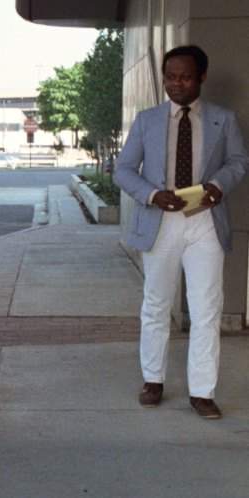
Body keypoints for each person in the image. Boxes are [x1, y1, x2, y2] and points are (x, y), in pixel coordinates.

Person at [114, 45, 248, 419]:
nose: (177, 84)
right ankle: (152, 380)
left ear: (201, 77)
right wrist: (152, 194)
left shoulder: (224, 119)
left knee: (206, 307)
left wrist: (218, 185)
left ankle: (202, 392)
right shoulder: (147, 121)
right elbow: (124, 170)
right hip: (161, 222)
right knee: (156, 303)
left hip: (205, 221)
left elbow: (239, 161)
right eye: (170, 77)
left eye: (185, 77)